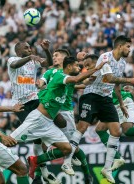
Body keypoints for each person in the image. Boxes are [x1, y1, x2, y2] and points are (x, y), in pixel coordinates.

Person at [61, 35, 134, 184]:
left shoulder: (122, 63)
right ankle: (67, 161)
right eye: (127, 46)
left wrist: (122, 104)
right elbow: (110, 78)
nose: (129, 49)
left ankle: (107, 168)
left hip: (106, 98)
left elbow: (116, 85)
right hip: (91, 95)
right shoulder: (105, 57)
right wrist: (130, 80)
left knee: (116, 131)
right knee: (82, 127)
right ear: (119, 46)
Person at [10, 56, 106, 180]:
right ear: (69, 66)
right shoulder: (60, 75)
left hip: (50, 121)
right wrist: (97, 68)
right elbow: (76, 78)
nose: (79, 67)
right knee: (9, 141)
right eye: (77, 65)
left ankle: (37, 161)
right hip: (38, 119)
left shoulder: (68, 79)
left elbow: (81, 82)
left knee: (68, 148)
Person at [38, 51, 93, 184]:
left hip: (65, 111)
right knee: (44, 143)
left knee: (72, 146)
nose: (54, 57)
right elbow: (40, 84)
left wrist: (82, 63)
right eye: (54, 55)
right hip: (49, 111)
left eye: (57, 55)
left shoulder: (70, 71)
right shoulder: (50, 72)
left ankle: (87, 174)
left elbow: (82, 80)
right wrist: (44, 87)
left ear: (65, 59)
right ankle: (42, 169)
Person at [7, 40, 56, 184]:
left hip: (34, 99)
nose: (30, 49)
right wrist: (30, 57)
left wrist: (46, 50)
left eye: (30, 48)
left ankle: (39, 172)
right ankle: (38, 170)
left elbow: (48, 63)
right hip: (20, 104)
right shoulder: (13, 59)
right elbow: (14, 65)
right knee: (36, 135)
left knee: (41, 136)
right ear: (18, 50)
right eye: (26, 48)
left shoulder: (33, 61)